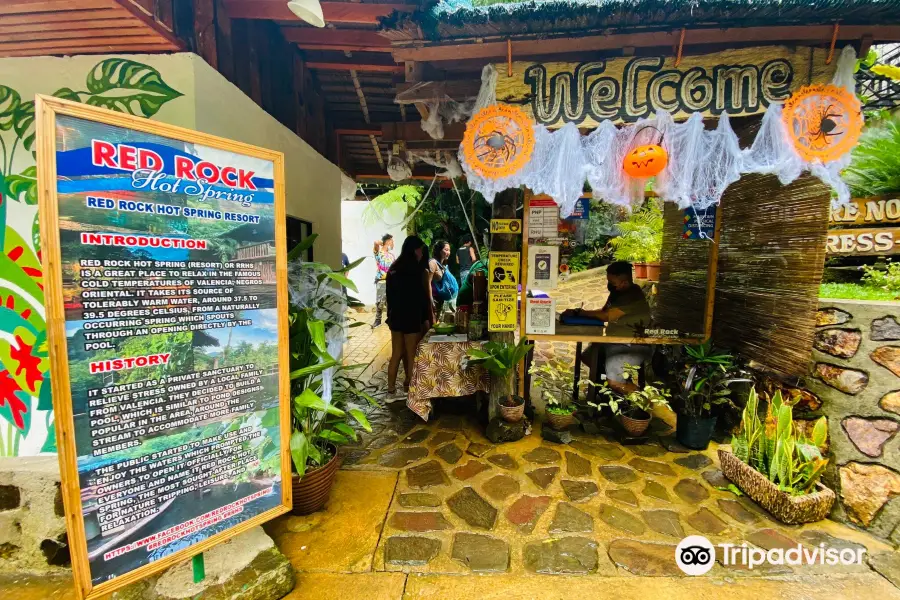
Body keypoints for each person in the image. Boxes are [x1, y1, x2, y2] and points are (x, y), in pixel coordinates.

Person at [561, 261, 653, 392]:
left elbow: (607, 316)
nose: (610, 285)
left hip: (632, 345)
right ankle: (609, 392)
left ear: (624, 282)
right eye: (609, 281)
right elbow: (603, 311)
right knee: (588, 356)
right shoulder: (617, 293)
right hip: (614, 342)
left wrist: (580, 312)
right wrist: (579, 314)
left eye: (613, 283)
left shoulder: (633, 295)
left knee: (614, 381)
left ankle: (646, 404)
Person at [385, 236, 431, 396]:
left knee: (396, 353)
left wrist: (389, 315)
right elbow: (421, 298)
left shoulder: (394, 268)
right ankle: (412, 391)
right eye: (420, 249)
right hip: (411, 316)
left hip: (396, 316)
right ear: (414, 249)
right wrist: (426, 319)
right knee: (411, 354)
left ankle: (390, 390)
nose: (421, 252)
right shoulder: (417, 271)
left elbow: (389, 296)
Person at [372, 234, 395, 328]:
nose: (393, 244)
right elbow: (375, 243)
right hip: (381, 280)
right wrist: (382, 242)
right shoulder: (378, 252)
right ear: (388, 241)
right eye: (392, 241)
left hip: (391, 281)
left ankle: (390, 318)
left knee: (391, 301)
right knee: (380, 301)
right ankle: (378, 320)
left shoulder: (392, 255)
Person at [428, 240, 454, 318]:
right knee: (432, 325)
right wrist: (431, 301)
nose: (448, 252)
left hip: (440, 300)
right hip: (433, 299)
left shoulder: (443, 265)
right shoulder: (432, 263)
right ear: (439, 250)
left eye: (449, 250)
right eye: (446, 250)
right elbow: (427, 282)